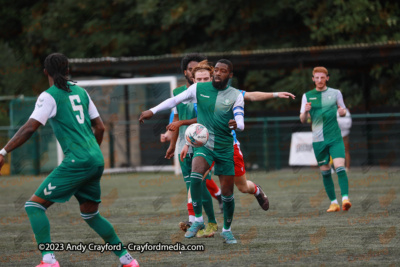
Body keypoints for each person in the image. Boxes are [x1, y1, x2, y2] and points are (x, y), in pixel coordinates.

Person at [0, 53, 138, 267]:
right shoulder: (82, 92)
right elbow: (100, 127)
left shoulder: (49, 96)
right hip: (95, 159)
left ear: (46, 72)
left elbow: (29, 128)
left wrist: (3, 152)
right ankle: (128, 260)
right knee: (91, 215)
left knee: (33, 206)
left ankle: (48, 260)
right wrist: (91, 153)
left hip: (79, 161)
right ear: (67, 71)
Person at [140, 59, 244, 244]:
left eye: (223, 71)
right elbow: (175, 100)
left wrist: (238, 124)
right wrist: (152, 110)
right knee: (195, 176)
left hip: (225, 147)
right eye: (217, 70)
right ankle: (197, 220)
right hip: (204, 145)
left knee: (228, 194)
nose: (218, 73)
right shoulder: (198, 89)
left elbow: (240, 117)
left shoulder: (236, 95)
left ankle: (227, 230)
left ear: (230, 75)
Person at [300, 66, 351, 213]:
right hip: (318, 140)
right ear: (313, 79)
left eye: (323, 77)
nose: (320, 80)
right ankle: (334, 203)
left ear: (327, 78)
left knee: (340, 167)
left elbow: (343, 111)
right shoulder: (307, 96)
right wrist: (306, 112)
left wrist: (342, 111)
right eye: (317, 78)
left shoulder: (336, 93)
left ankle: (345, 199)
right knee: (325, 172)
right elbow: (302, 119)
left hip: (335, 137)